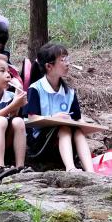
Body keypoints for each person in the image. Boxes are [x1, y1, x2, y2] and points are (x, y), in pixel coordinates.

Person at [24, 41, 93, 173]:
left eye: (67, 59)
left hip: (64, 142)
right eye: (62, 60)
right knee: (64, 128)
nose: (67, 63)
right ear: (49, 66)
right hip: (40, 144)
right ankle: (70, 168)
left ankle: (91, 171)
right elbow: (31, 119)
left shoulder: (70, 92)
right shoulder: (35, 89)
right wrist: (53, 118)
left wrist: (86, 126)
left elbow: (77, 118)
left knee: (78, 131)